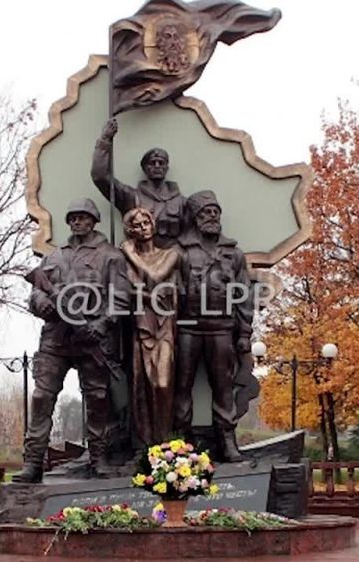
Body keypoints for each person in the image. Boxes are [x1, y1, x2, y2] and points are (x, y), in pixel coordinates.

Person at [16, 198, 130, 483]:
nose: (77, 222)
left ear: (93, 220)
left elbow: (120, 298)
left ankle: (98, 458)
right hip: (56, 338)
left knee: (98, 400)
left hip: (92, 339)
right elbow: (37, 292)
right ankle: (33, 462)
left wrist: (101, 325)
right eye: (73, 218)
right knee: (41, 397)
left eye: (83, 217)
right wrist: (42, 304)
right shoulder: (54, 256)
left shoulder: (110, 256)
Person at [174, 190, 253, 462]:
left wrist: (244, 333)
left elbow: (244, 296)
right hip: (187, 328)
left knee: (223, 387)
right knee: (181, 386)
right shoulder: (181, 252)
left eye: (215, 212)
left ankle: (227, 440)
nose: (211, 216)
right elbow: (170, 293)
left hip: (222, 328)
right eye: (205, 212)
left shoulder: (234, 254)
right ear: (195, 218)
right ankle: (180, 441)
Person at [121, 207, 180, 446]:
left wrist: (130, 255)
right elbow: (127, 291)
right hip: (140, 324)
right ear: (130, 231)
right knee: (141, 386)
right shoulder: (123, 264)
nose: (143, 228)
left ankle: (165, 443)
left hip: (164, 325)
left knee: (162, 383)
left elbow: (156, 278)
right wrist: (150, 294)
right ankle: (148, 445)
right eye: (136, 225)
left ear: (153, 225)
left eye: (146, 222)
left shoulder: (170, 254)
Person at [91, 118, 189, 247]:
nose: (157, 166)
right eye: (152, 163)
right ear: (144, 168)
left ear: (166, 168)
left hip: (173, 256)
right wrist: (105, 141)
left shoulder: (181, 202)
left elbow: (190, 233)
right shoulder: (131, 197)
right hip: (138, 256)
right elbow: (100, 176)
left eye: (161, 163)